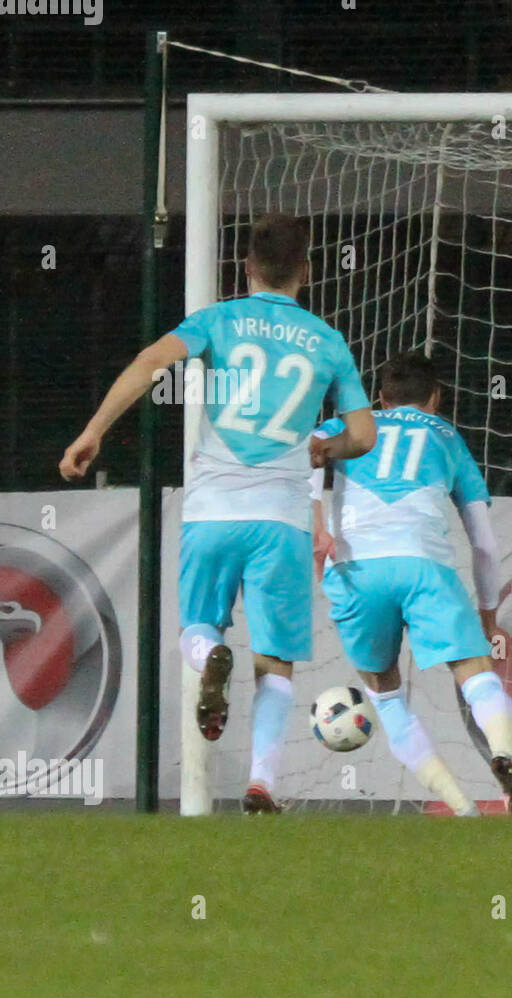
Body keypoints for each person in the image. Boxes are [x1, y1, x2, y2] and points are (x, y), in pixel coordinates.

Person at [59, 213, 375, 813]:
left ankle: (210, 659)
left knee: (196, 629)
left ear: (246, 268)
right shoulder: (327, 340)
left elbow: (151, 361)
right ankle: (260, 784)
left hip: (212, 511)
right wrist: (324, 447)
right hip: (281, 519)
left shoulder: (217, 320)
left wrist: (94, 431)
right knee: (275, 659)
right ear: (305, 272)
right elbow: (363, 434)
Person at [311, 350, 512, 816]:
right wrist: (489, 616)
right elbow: (485, 543)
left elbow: (301, 454)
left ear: (380, 398)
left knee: (385, 696)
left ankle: (462, 807)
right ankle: (505, 758)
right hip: (424, 566)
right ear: (436, 397)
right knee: (476, 676)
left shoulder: (345, 427)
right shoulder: (448, 436)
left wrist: (316, 523)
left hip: (356, 570)